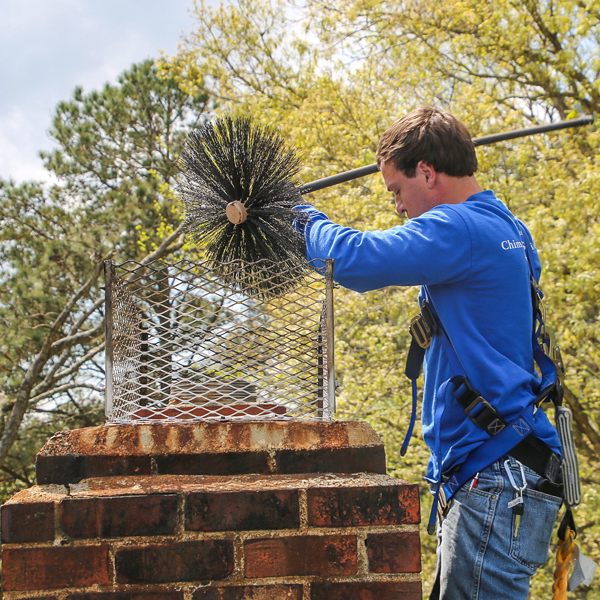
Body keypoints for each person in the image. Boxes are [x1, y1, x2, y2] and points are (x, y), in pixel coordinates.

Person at [295, 105, 563, 599]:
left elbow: (355, 260)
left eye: (396, 190)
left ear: (427, 171)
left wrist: (302, 218)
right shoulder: (509, 229)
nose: (396, 206)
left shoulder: (458, 228)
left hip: (494, 472)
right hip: (505, 469)